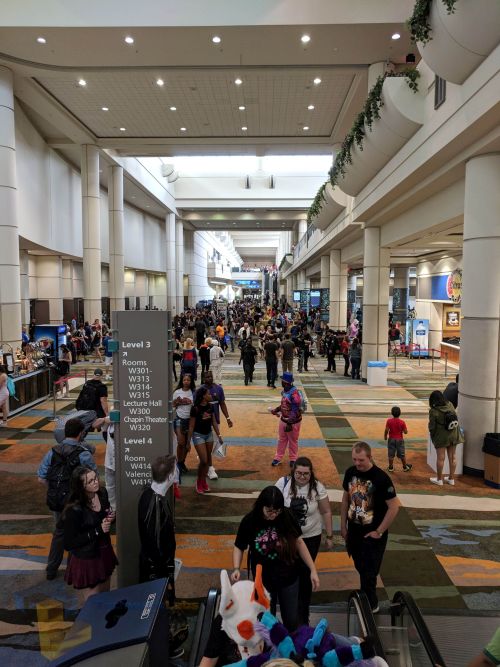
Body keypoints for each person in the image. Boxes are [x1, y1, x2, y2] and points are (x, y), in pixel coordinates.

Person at [231, 486, 320, 632]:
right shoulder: (250, 520)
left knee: (291, 619)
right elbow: (239, 546)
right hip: (263, 580)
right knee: (267, 620)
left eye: (276, 511)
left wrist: (313, 569)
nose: (273, 515)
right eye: (269, 511)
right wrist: (236, 568)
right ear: (261, 506)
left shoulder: (286, 516)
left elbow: (299, 542)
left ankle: (290, 643)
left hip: (289, 577)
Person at [341, 442, 400, 613]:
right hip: (354, 532)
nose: (357, 463)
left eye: (361, 460)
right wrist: (343, 525)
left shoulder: (381, 478)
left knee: (369, 572)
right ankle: (365, 599)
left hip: (372, 534)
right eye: (354, 459)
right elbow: (345, 499)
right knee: (361, 567)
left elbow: (394, 507)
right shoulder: (350, 472)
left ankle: (371, 605)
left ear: (370, 457)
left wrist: (379, 531)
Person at [38, 417, 97, 580]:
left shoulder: (53, 451)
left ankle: (51, 569)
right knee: (77, 533)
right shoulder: (83, 454)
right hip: (76, 501)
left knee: (59, 533)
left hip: (57, 500)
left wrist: (55, 490)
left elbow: (41, 477)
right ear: (81, 434)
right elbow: (93, 479)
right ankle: (72, 569)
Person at [275, 457, 332, 625]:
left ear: (311, 473)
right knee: (288, 574)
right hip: (288, 540)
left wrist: (329, 536)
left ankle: (303, 618)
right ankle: (288, 614)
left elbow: (326, 511)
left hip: (311, 538)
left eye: (306, 474)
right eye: (298, 473)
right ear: (293, 472)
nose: (302, 476)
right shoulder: (283, 483)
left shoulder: (317, 487)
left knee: (306, 577)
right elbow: (273, 507)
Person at [62, 465, 117, 602]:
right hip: (88, 559)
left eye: (95, 478)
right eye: (90, 481)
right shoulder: (74, 509)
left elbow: (106, 513)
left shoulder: (102, 493)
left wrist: (111, 517)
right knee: (94, 603)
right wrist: (98, 530)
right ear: (81, 486)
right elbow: (69, 543)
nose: (96, 482)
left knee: (106, 596)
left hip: (104, 551)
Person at [138, 455, 177, 585]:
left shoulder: (147, 493)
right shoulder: (156, 504)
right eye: (175, 470)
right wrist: (165, 571)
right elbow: (155, 546)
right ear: (170, 477)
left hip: (153, 568)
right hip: (156, 574)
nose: (177, 472)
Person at [187, 386, 223, 494]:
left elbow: (214, 422)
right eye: (208, 394)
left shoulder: (210, 407)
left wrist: (219, 435)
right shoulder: (195, 408)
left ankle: (203, 482)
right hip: (198, 435)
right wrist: (188, 442)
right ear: (203, 396)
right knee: (203, 460)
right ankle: (199, 481)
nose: (210, 395)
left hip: (209, 435)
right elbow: (191, 426)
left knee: (207, 461)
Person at [201, 370, 233, 480]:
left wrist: (228, 418)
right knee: (208, 446)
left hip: (215, 422)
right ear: (203, 378)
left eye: (210, 376)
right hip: (203, 423)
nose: (209, 378)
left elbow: (222, 404)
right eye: (206, 377)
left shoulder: (218, 389)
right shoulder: (200, 390)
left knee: (213, 445)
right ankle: (210, 468)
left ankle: (205, 458)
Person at [270, 372, 303, 467]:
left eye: (282, 381)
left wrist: (289, 423)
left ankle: (293, 459)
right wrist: (276, 410)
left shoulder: (294, 394)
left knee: (293, 440)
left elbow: (294, 409)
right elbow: (284, 404)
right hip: (284, 420)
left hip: (293, 422)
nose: (281, 382)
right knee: (281, 439)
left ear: (285, 382)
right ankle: (278, 458)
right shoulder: (285, 391)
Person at [428, 389, 460, 486]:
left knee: (441, 458)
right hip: (453, 434)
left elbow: (432, 427)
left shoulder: (433, 411)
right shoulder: (450, 404)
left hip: (441, 437)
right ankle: (451, 479)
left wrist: (433, 435)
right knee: (453, 457)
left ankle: (439, 480)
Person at [173, 373, 195, 474]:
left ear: (191, 381)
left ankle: (182, 462)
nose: (186, 382)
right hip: (179, 419)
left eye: (188, 380)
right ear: (182, 381)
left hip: (190, 420)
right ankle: (178, 463)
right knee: (181, 443)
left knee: (187, 444)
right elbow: (172, 405)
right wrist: (177, 402)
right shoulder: (177, 392)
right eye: (184, 380)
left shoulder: (193, 393)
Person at [384, 406, 412, 473]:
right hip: (399, 440)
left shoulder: (389, 421)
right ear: (400, 413)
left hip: (391, 439)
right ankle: (405, 467)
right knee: (402, 454)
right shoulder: (402, 422)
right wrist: (405, 430)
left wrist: (385, 436)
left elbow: (386, 430)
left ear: (392, 413)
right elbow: (405, 432)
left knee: (391, 454)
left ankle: (390, 467)